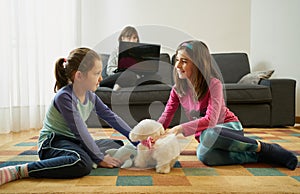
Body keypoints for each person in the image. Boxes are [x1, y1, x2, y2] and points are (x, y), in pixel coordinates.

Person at [0, 47, 137, 186]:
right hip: (52, 143)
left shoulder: (91, 96)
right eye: (96, 73)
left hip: (73, 142)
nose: (101, 78)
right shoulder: (64, 97)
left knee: (116, 143)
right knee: (82, 163)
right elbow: (80, 130)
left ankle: (81, 155)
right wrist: (99, 158)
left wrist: (136, 139)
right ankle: (20, 171)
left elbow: (112, 118)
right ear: (79, 76)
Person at [159, 40, 298, 170]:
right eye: (177, 60)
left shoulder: (214, 84)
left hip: (228, 128)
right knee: (204, 156)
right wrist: (154, 132)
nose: (177, 66)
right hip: (206, 136)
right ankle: (257, 157)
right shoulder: (178, 90)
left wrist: (179, 129)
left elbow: (211, 120)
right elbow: (166, 115)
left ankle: (267, 149)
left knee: (210, 134)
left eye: (184, 61)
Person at [100, 26, 140, 90]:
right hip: (119, 76)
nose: (132, 40)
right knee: (129, 74)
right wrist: (122, 71)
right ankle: (117, 86)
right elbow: (109, 70)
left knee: (156, 77)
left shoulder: (140, 52)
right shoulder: (116, 52)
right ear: (122, 38)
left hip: (135, 76)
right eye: (129, 38)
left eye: (134, 38)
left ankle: (121, 84)